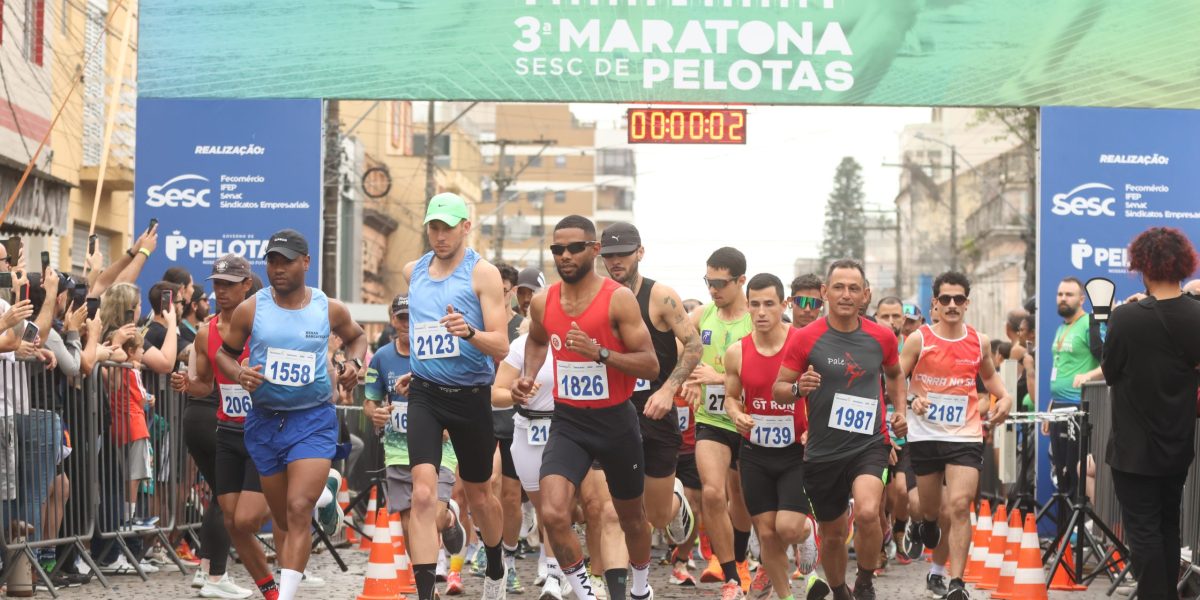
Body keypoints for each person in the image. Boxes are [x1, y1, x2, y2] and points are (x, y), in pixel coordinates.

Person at [510, 214, 660, 600]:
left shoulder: (618, 299)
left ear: (594, 250)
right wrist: (528, 375)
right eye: (557, 249)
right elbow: (538, 340)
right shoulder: (544, 303)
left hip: (616, 421)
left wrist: (601, 354)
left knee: (631, 518)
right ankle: (584, 593)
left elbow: (650, 363)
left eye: (574, 247)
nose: (565, 255)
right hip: (569, 421)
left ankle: (641, 589)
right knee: (554, 513)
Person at [215, 229, 366, 600]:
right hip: (265, 422)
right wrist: (239, 373)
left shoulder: (327, 307)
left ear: (306, 263)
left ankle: (285, 596)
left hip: (312, 418)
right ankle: (325, 499)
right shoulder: (252, 308)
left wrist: (355, 362)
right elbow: (224, 353)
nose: (278, 268)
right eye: (272, 261)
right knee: (282, 517)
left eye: (286, 261)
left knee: (298, 509)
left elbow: (356, 336)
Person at [772, 259, 907, 600]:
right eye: (838, 287)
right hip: (823, 451)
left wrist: (900, 410)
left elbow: (894, 374)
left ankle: (864, 578)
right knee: (832, 534)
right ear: (825, 292)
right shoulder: (805, 339)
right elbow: (779, 389)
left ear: (865, 294)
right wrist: (798, 388)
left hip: (869, 444)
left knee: (865, 511)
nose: (846, 295)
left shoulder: (882, 337)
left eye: (853, 288)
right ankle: (839, 591)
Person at [400, 193, 510, 600]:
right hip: (426, 394)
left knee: (481, 495)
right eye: (433, 227)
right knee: (424, 492)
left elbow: (500, 346)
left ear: (466, 226)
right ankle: (426, 593)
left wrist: (469, 332)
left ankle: (496, 562)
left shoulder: (483, 274)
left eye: (448, 227)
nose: (440, 235)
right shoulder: (413, 271)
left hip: (471, 396)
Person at [899, 272, 1012, 600]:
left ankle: (957, 583)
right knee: (933, 508)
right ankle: (927, 523)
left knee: (961, 506)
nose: (951, 305)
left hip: (964, 434)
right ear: (935, 302)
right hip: (925, 435)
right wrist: (909, 400)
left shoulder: (980, 341)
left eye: (958, 299)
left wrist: (1004, 400)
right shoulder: (919, 339)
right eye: (945, 299)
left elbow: (994, 383)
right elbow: (895, 381)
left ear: (967, 303)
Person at [1102, 227, 1200, 600]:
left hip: (1133, 446)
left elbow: (1110, 373)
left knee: (1143, 531)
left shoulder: (1127, 318)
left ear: (1142, 265)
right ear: (1183, 265)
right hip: (1177, 443)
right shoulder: (1196, 316)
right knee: (1168, 526)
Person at [172, 254, 277, 600]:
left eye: (229, 285)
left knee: (250, 516)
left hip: (264, 433)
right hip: (228, 432)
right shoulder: (206, 333)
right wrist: (188, 385)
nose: (221, 292)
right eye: (217, 285)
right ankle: (238, 580)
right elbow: (205, 385)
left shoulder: (267, 328)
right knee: (232, 516)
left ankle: (282, 574)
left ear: (247, 285)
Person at [722, 273, 829, 600]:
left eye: (769, 304)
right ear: (747, 306)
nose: (762, 312)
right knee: (767, 533)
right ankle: (786, 596)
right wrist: (737, 414)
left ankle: (808, 531)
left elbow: (823, 393)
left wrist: (816, 428)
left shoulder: (803, 344)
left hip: (795, 452)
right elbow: (730, 397)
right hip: (755, 453)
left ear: (783, 304)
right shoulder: (737, 352)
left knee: (788, 527)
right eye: (754, 304)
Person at [599, 222, 700, 547]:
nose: (616, 261)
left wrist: (668, 390)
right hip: (610, 412)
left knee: (656, 516)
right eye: (609, 255)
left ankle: (675, 498)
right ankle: (608, 580)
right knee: (609, 509)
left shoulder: (661, 297)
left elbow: (694, 345)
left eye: (624, 254)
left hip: (654, 411)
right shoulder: (595, 296)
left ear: (639, 253)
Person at [364, 295, 468, 598]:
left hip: (439, 445)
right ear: (392, 320)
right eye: (401, 318)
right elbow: (370, 401)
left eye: (412, 317)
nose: (407, 323)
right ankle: (425, 587)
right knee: (411, 524)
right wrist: (376, 412)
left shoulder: (437, 349)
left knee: (432, 517)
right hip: (398, 449)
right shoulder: (382, 357)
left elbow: (458, 392)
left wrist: (448, 420)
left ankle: (450, 518)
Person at [687, 247, 755, 599]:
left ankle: (741, 559)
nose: (713, 289)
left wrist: (720, 377)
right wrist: (687, 379)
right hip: (711, 419)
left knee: (740, 495)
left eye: (720, 283)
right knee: (713, 492)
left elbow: (762, 368)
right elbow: (681, 340)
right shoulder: (704, 313)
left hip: (746, 418)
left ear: (740, 281)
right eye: (708, 281)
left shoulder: (754, 319)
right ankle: (729, 573)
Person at [492, 321, 565, 600]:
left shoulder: (572, 340)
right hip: (526, 430)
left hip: (564, 429)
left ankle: (554, 576)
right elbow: (496, 393)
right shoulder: (520, 346)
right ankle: (560, 567)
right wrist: (514, 393)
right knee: (542, 507)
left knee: (554, 508)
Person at [1044, 277, 1104, 511]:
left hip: (1081, 407)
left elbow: (1110, 362)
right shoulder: (1062, 327)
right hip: (1059, 406)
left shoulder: (1090, 324)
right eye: (1060, 294)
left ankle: (1088, 525)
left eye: (1069, 294)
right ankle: (1066, 533)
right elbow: (1062, 366)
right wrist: (1052, 403)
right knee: (1061, 471)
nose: (1063, 299)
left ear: (1082, 299)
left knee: (1077, 468)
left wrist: (1088, 377)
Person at [493, 262, 526, 592]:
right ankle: (481, 551)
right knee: (482, 485)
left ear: (512, 291)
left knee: (511, 496)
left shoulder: (521, 328)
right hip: (480, 416)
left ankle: (511, 559)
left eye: (504, 287)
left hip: (514, 419)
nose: (499, 292)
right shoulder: (475, 322)